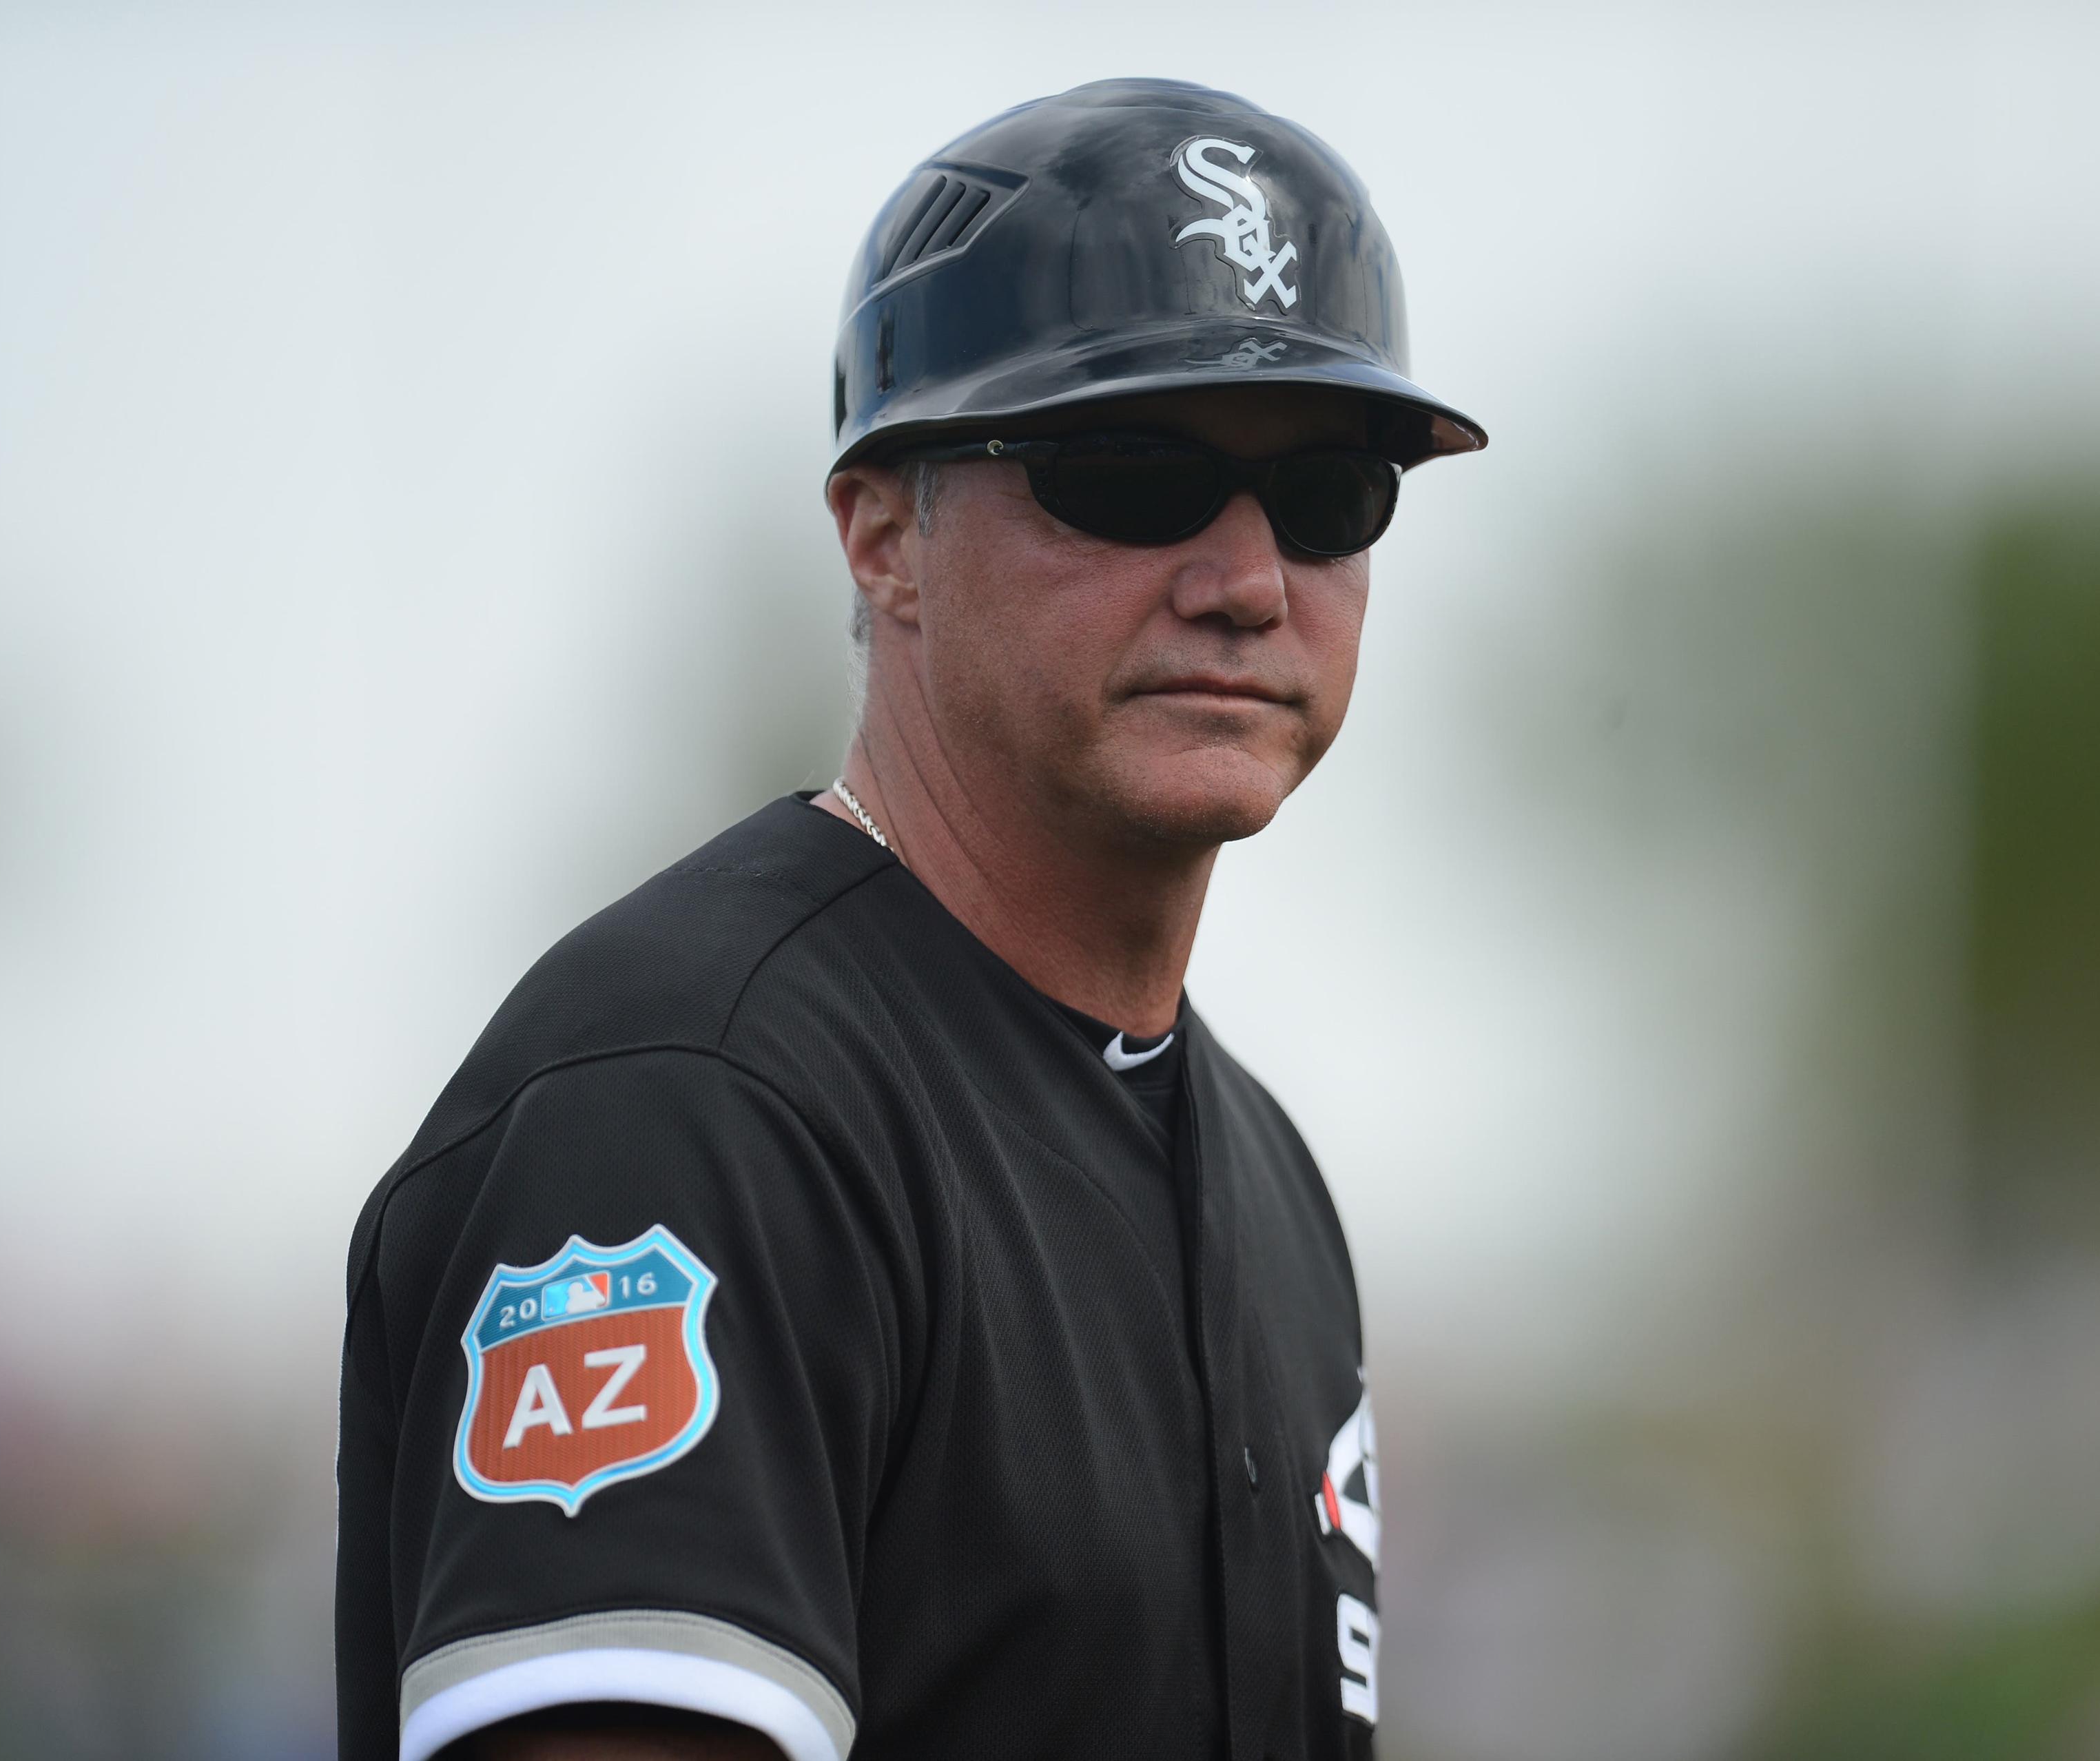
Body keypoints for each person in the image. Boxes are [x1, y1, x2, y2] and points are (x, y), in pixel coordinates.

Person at [336, 76, 1484, 1761]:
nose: (1247, 577)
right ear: (886, 535)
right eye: (1127, 469)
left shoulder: (1261, 1169)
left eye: (1327, 494)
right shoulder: (695, 1099)